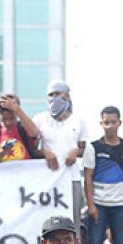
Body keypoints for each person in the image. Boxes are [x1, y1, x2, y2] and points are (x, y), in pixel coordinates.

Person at [32, 81, 90, 232]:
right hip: (47, 179)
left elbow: (84, 149)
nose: (54, 98)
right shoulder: (39, 119)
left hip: (71, 177)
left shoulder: (78, 120)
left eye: (58, 94)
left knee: (72, 220)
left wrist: (75, 152)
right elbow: (31, 150)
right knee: (47, 220)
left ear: (67, 96)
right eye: (51, 95)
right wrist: (45, 153)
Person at [83, 106, 123, 244]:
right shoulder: (93, 147)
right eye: (106, 122)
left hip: (120, 204)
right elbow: (88, 177)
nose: (110, 126)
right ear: (101, 124)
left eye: (113, 122)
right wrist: (91, 205)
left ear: (120, 123)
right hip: (99, 203)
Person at [0, 94, 40, 163]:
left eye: (12, 118)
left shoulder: (24, 128)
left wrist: (17, 109)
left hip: (26, 172)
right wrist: (2, 153)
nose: (8, 122)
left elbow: (34, 133)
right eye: (4, 119)